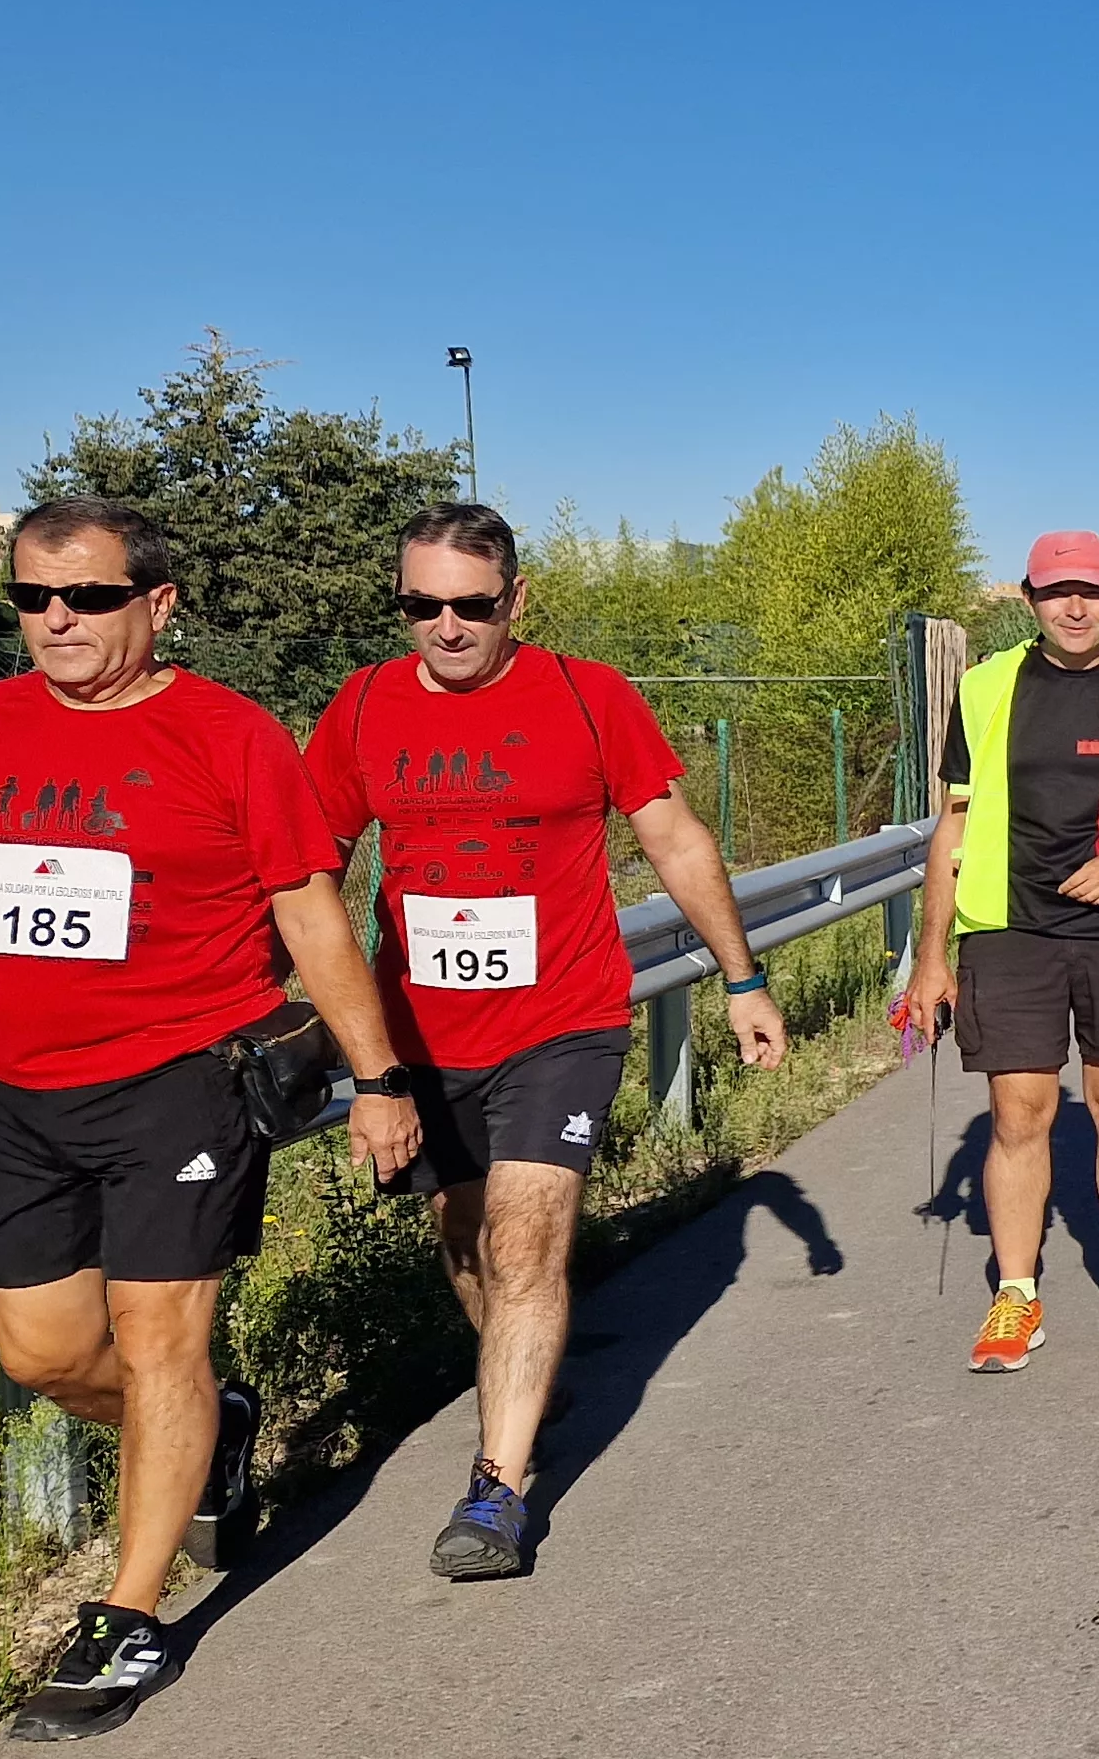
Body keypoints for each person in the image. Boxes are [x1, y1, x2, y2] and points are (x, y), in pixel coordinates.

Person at [0, 498, 423, 1739]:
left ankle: (131, 1620)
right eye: (32, 599)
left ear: (157, 603)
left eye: (85, 598)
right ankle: (221, 1427)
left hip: (180, 1078)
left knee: (157, 1343)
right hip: (19, 1091)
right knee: (39, 1354)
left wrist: (381, 1080)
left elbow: (309, 917)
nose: (57, 622)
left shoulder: (227, 736)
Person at [303, 503, 788, 1579]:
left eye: (470, 605)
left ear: (515, 600)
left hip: (561, 1020)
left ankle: (498, 1490)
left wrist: (742, 978)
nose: (446, 626)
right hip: (420, 1032)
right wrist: (299, 1009)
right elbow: (311, 870)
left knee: (524, 1241)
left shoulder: (587, 695)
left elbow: (674, 837)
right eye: (420, 605)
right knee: (467, 1240)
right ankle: (520, 1362)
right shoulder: (364, 706)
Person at [902, 531, 1099, 1372]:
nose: (1074, 607)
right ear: (1030, 600)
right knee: (1018, 1117)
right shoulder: (986, 688)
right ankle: (1016, 1295)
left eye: (1091, 590)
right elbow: (956, 826)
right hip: (1011, 930)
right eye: (1055, 592)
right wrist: (929, 957)